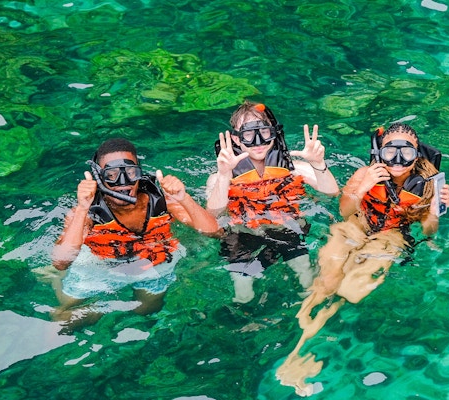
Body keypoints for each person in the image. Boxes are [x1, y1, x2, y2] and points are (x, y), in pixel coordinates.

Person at [276, 122, 449, 396]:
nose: (396, 160)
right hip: (356, 225)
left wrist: (434, 211)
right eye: (389, 152)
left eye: (405, 153)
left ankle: (311, 345)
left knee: (351, 290)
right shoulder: (364, 173)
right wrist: (362, 187)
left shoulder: (428, 186)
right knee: (326, 281)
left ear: (417, 156)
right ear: (379, 152)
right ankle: (297, 349)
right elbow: (345, 211)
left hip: (391, 235)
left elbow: (429, 232)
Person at [51, 138, 219, 330]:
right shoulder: (87, 210)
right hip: (102, 264)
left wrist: (184, 197)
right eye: (111, 175)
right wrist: (82, 207)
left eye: (130, 173)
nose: (123, 183)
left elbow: (213, 231)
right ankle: (87, 304)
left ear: (139, 172)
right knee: (63, 319)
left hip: (152, 261)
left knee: (147, 309)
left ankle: (110, 312)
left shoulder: (160, 199)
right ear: (99, 178)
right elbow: (61, 262)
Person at [206, 101, 340, 303]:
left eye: (264, 132)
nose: (258, 141)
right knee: (243, 294)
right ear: (236, 138)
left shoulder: (293, 167)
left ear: (274, 133)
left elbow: (331, 193)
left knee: (307, 280)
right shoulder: (220, 177)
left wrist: (318, 163)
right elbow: (213, 214)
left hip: (286, 231)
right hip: (242, 235)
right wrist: (225, 174)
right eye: (249, 135)